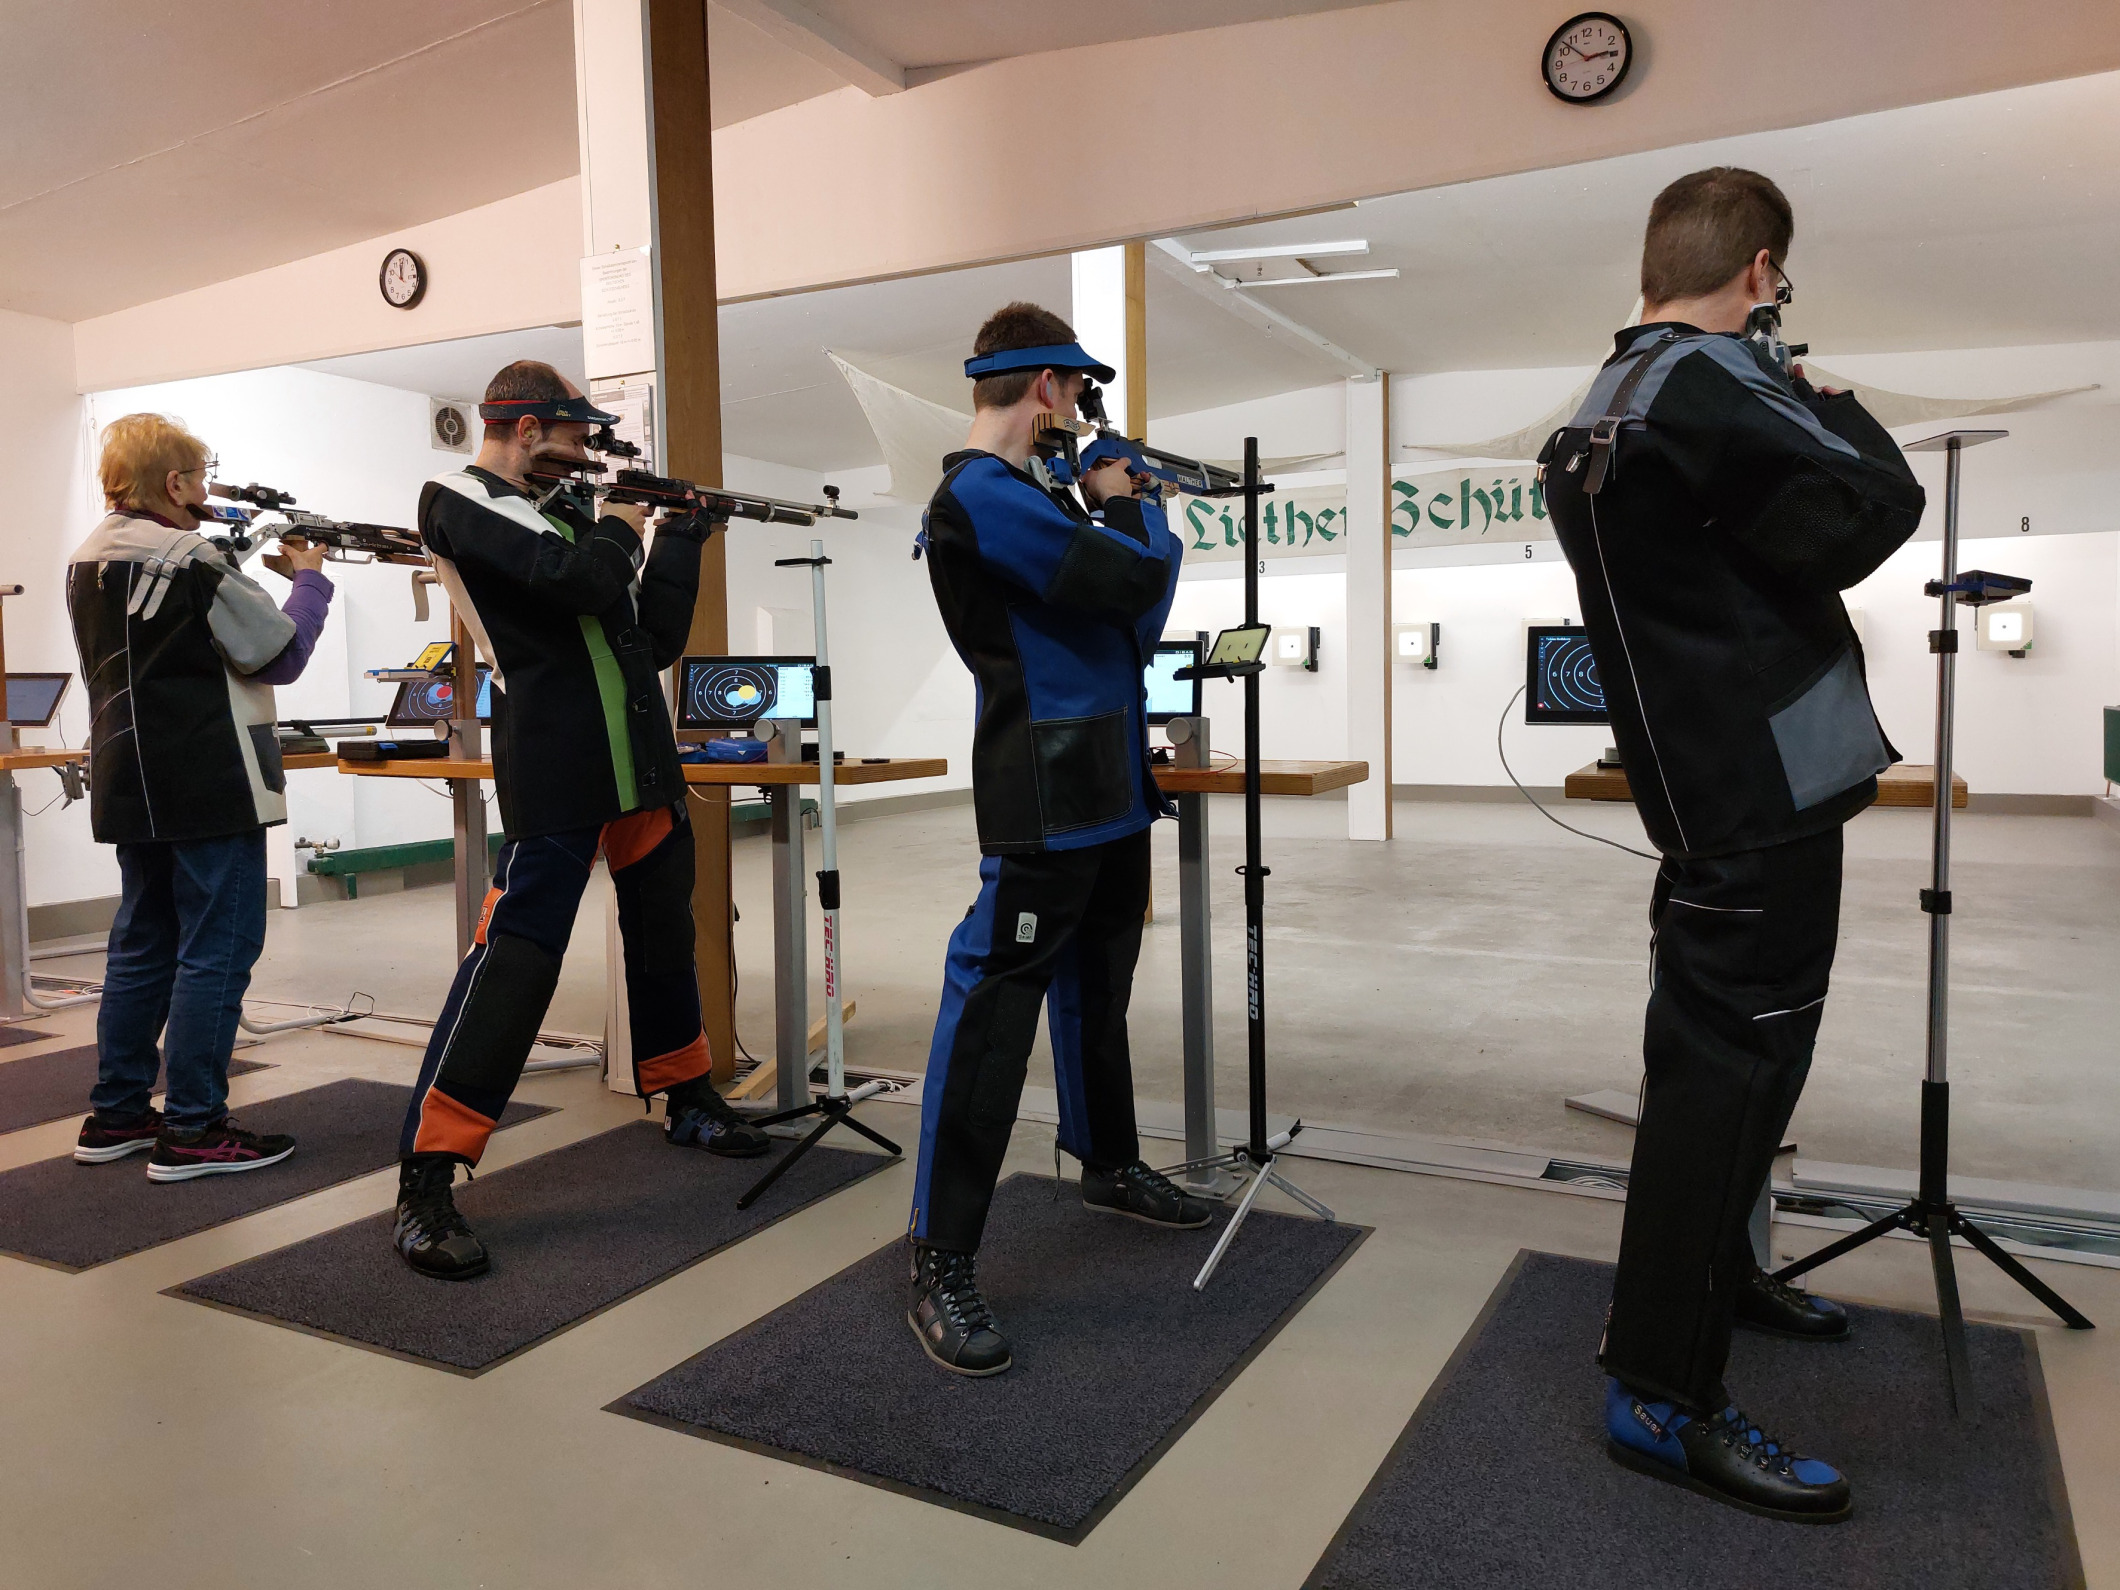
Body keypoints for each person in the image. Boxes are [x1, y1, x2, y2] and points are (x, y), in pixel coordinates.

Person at [1540, 168, 1927, 1522]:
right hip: (1758, 804)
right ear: (1761, 272)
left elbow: (1756, 554)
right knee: (1722, 1088)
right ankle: (1660, 1392)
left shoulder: (1608, 396)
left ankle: (1726, 1274)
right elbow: (1871, 515)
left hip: (1715, 793)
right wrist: (1838, 402)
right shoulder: (1713, 386)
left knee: (1734, 1072)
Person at [390, 360, 768, 1281]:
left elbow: (653, 638)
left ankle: (687, 1097)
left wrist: (684, 538)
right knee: (513, 966)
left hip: (638, 766)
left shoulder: (564, 514)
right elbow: (572, 582)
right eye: (572, 438)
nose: (583, 455)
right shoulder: (458, 500)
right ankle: (427, 1178)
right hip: (558, 767)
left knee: (664, 942)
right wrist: (627, 519)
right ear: (525, 428)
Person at [905, 303, 1209, 1377]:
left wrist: (1119, 514)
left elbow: (1133, 623)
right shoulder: (979, 495)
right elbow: (1133, 583)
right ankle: (938, 1258)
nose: (1078, 408)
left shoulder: (1038, 496)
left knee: (1097, 993)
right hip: (1043, 792)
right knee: (992, 1019)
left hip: (1110, 786)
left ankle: (1107, 1162)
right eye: (1075, 390)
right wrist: (1131, 507)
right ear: (1046, 386)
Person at [66, 413, 336, 1180]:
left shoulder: (87, 558)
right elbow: (279, 653)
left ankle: (118, 1114)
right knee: (216, 950)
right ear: (175, 483)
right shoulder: (191, 559)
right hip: (208, 780)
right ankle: (193, 1126)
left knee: (142, 945)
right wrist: (310, 578)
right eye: (200, 478)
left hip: (129, 777)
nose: (206, 491)